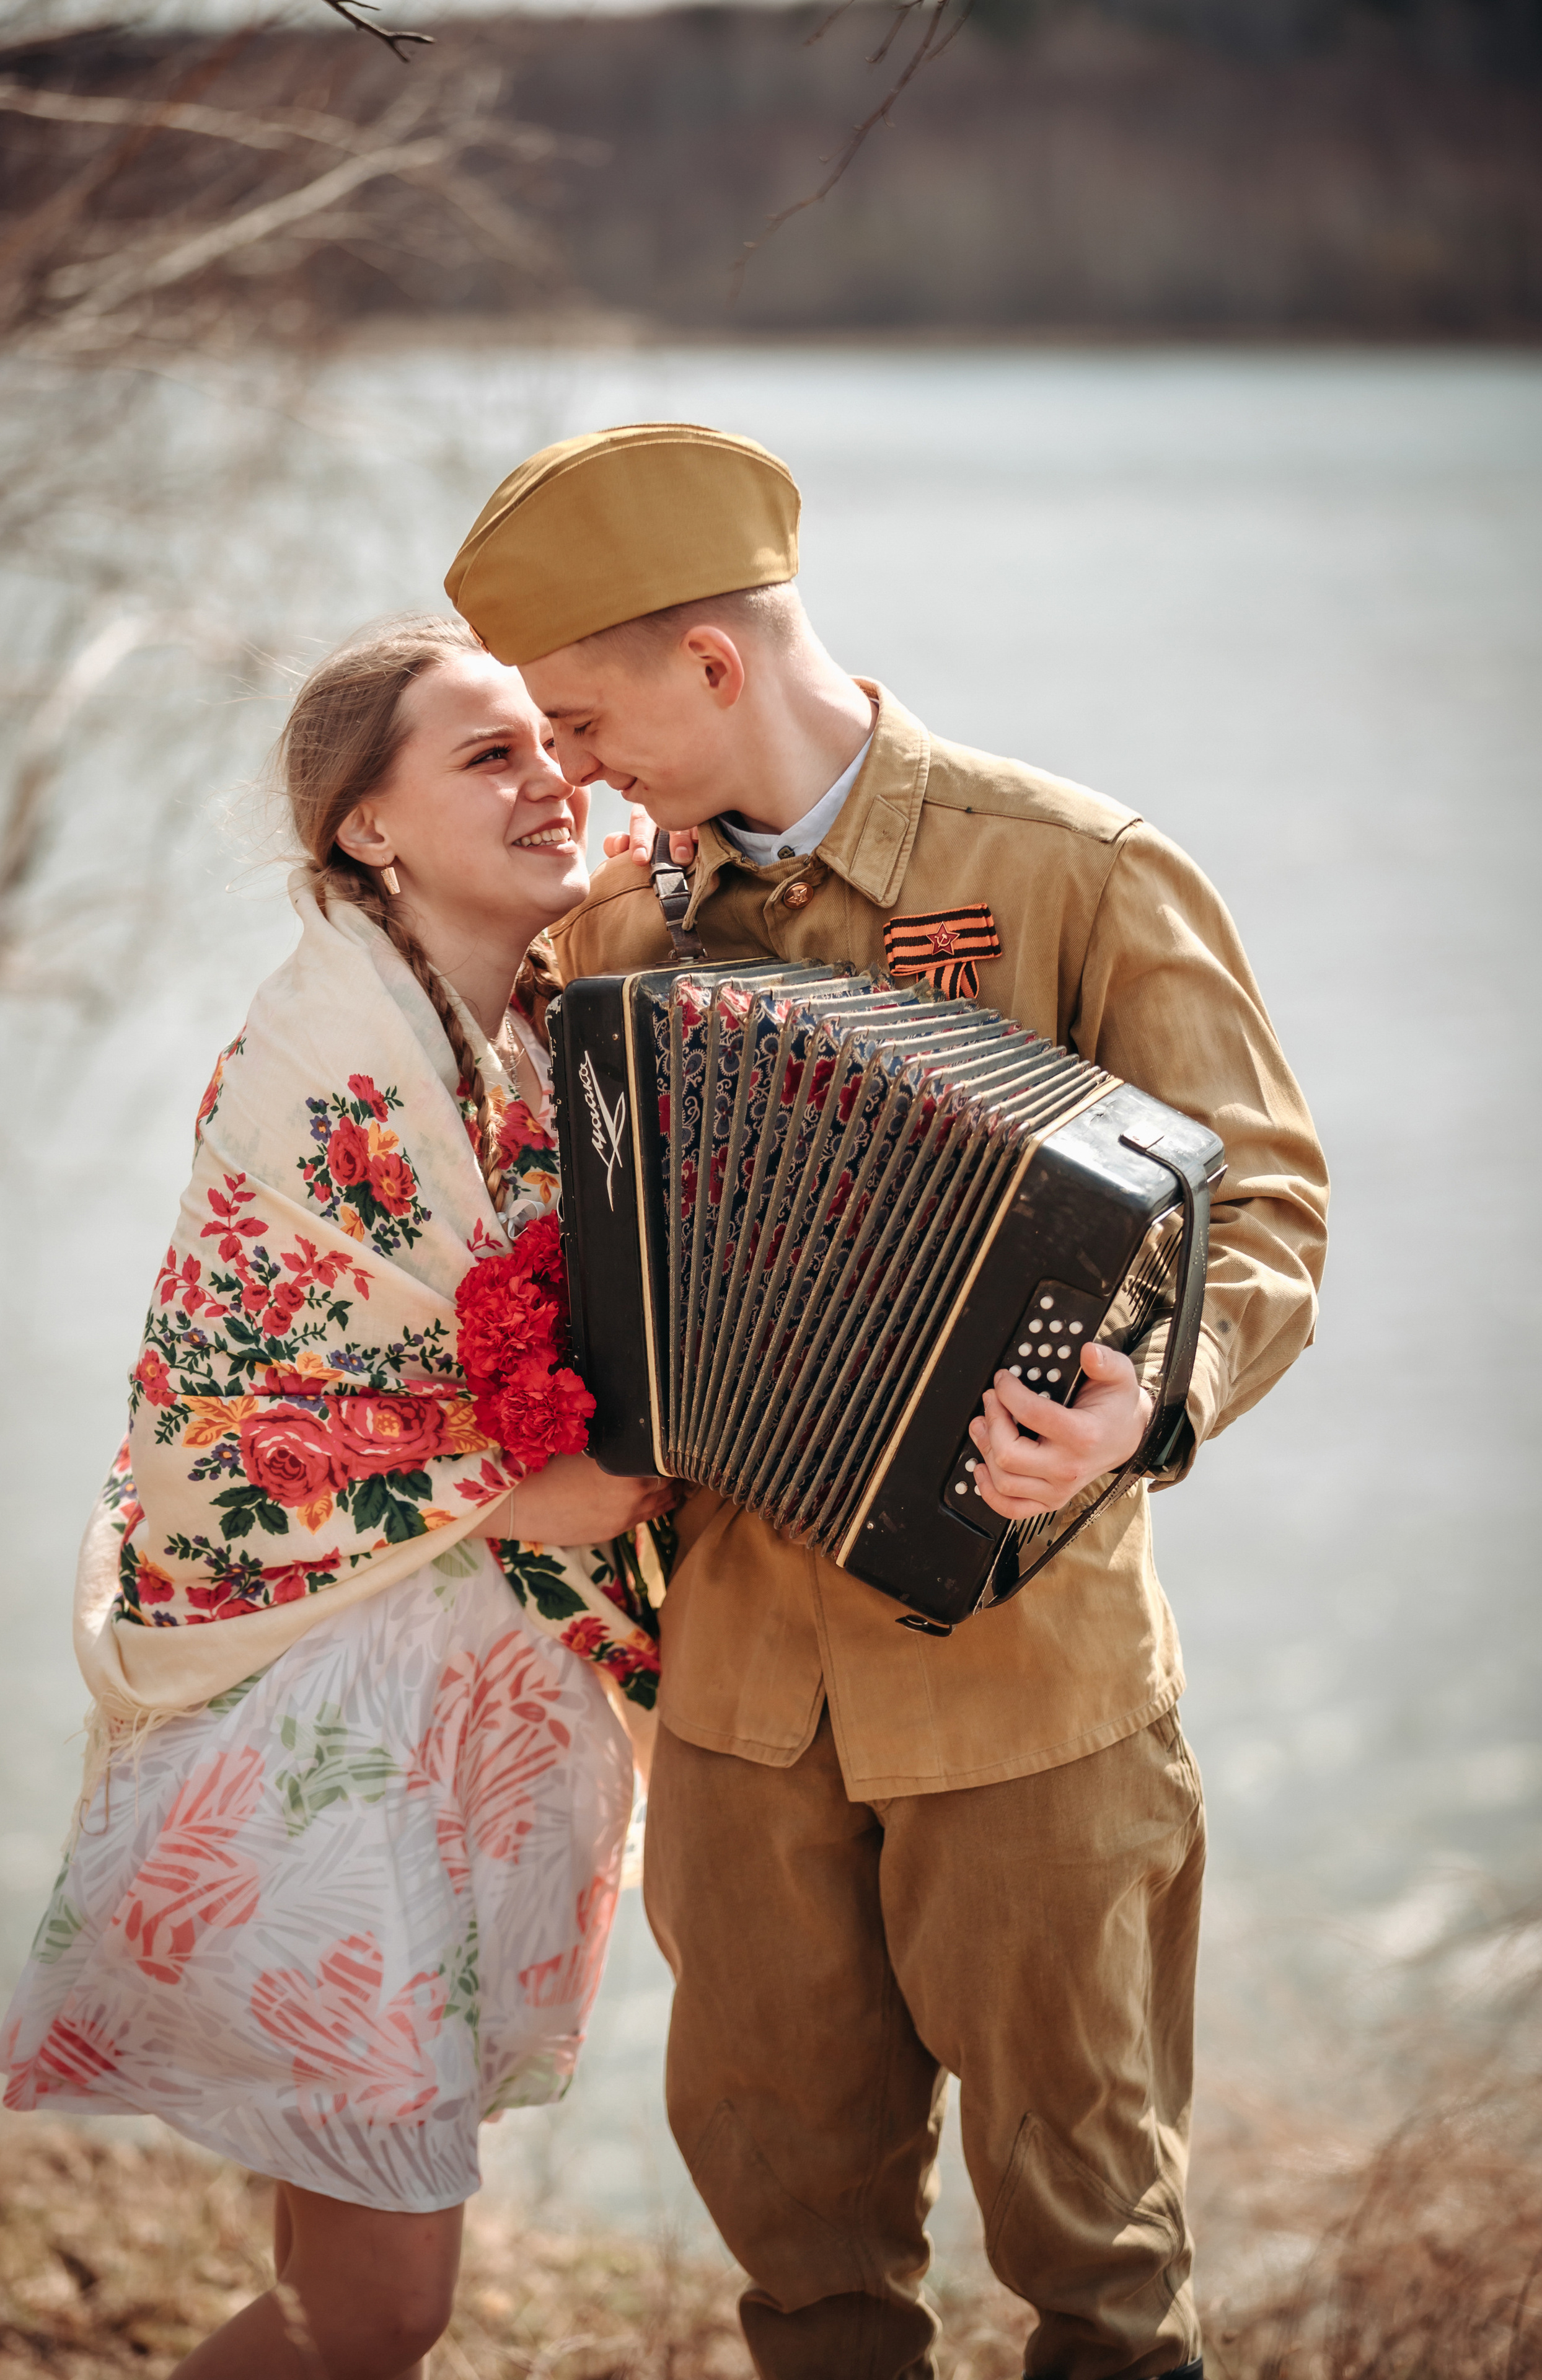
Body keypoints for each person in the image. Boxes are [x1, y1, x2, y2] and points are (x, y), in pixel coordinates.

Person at [442, 425, 1330, 2380]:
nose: (572, 774)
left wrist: (1145, 1404)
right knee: (807, 2273)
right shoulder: (615, 936)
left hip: (1033, 1692)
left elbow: (1265, 1206)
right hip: (741, 1709)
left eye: (586, 720)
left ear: (712, 663)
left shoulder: (1074, 868)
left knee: (1099, 2268)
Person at [0, 615, 676, 2380]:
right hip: (328, 1737)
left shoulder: (536, 1030)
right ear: (369, 830)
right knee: (382, 2310)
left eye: (552, 743)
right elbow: (274, 1404)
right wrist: (574, 1475)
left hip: (455, 1729)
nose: (551, 781)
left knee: (336, 2307)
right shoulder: (327, 1064)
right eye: (488, 755)